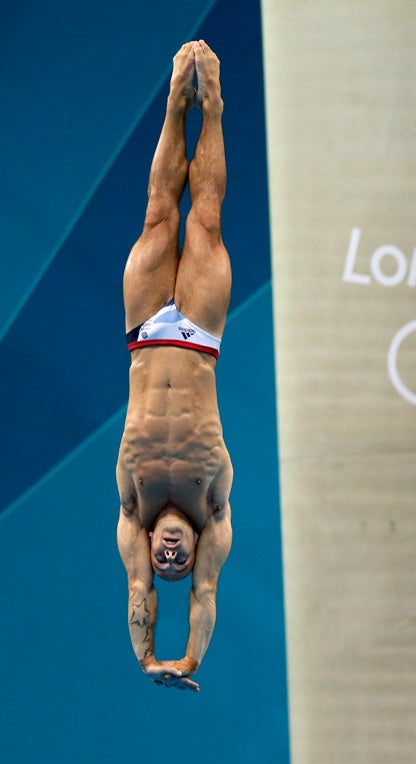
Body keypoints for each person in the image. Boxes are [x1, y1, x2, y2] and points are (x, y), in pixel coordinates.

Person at [116, 40, 232, 692]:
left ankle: (171, 106)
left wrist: (146, 659)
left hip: (143, 332)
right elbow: (206, 598)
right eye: (174, 563)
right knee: (206, 222)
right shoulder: (213, 513)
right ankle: (210, 106)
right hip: (199, 337)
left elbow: (138, 595)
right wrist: (187, 660)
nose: (165, 558)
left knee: (160, 215)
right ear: (191, 555)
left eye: (160, 563)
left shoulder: (133, 513)